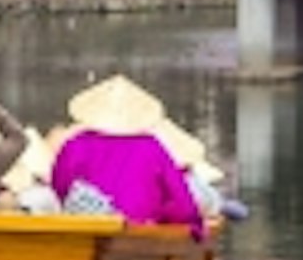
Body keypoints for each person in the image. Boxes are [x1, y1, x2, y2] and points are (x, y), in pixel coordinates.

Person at [47, 74, 208, 237]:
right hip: (139, 231)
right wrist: (191, 223)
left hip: (87, 230)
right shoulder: (151, 146)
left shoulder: (75, 144)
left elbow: (59, 188)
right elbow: (180, 200)